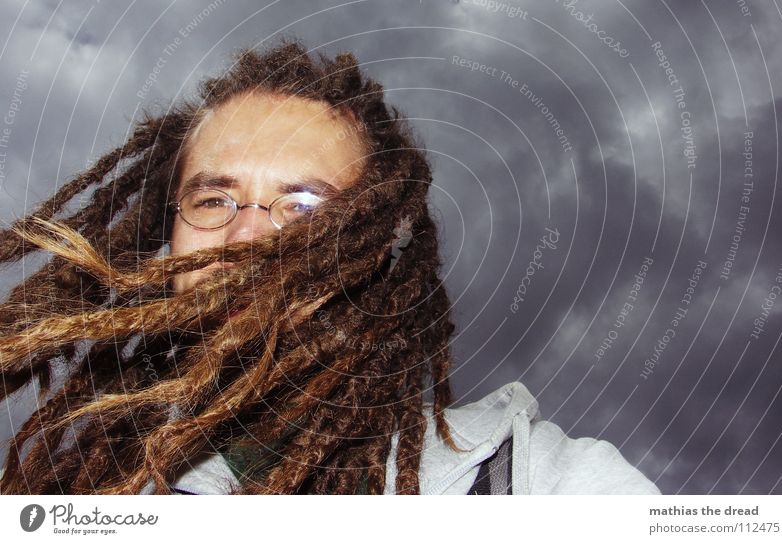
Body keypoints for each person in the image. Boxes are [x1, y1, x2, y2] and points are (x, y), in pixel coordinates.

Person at [0, 38, 659, 495]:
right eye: (214, 197)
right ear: (165, 245)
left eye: (303, 206)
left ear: (376, 255)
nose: (249, 234)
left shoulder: (532, 483)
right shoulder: (74, 499)